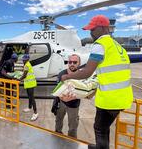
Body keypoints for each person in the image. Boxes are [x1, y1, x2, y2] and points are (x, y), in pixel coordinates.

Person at [61, 15, 133, 149]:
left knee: (99, 128)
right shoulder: (117, 46)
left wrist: (67, 77)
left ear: (103, 28)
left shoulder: (100, 45)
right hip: (123, 97)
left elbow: (87, 71)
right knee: (104, 127)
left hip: (109, 99)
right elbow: (108, 73)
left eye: (93, 29)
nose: (90, 32)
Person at [55, 54, 81, 138]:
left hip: (74, 105)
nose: (72, 64)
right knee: (58, 121)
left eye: (75, 62)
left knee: (73, 127)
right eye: (70, 62)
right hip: (61, 103)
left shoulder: (82, 75)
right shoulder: (61, 74)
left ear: (79, 63)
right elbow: (57, 90)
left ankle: (72, 142)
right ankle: (58, 136)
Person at [19, 54, 38, 121]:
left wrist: (18, 79)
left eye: (24, 59)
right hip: (29, 83)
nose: (23, 60)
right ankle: (29, 107)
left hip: (30, 84)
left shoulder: (27, 65)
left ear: (27, 59)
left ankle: (35, 113)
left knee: (32, 98)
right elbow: (25, 74)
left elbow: (24, 75)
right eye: (23, 59)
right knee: (30, 97)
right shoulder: (27, 64)